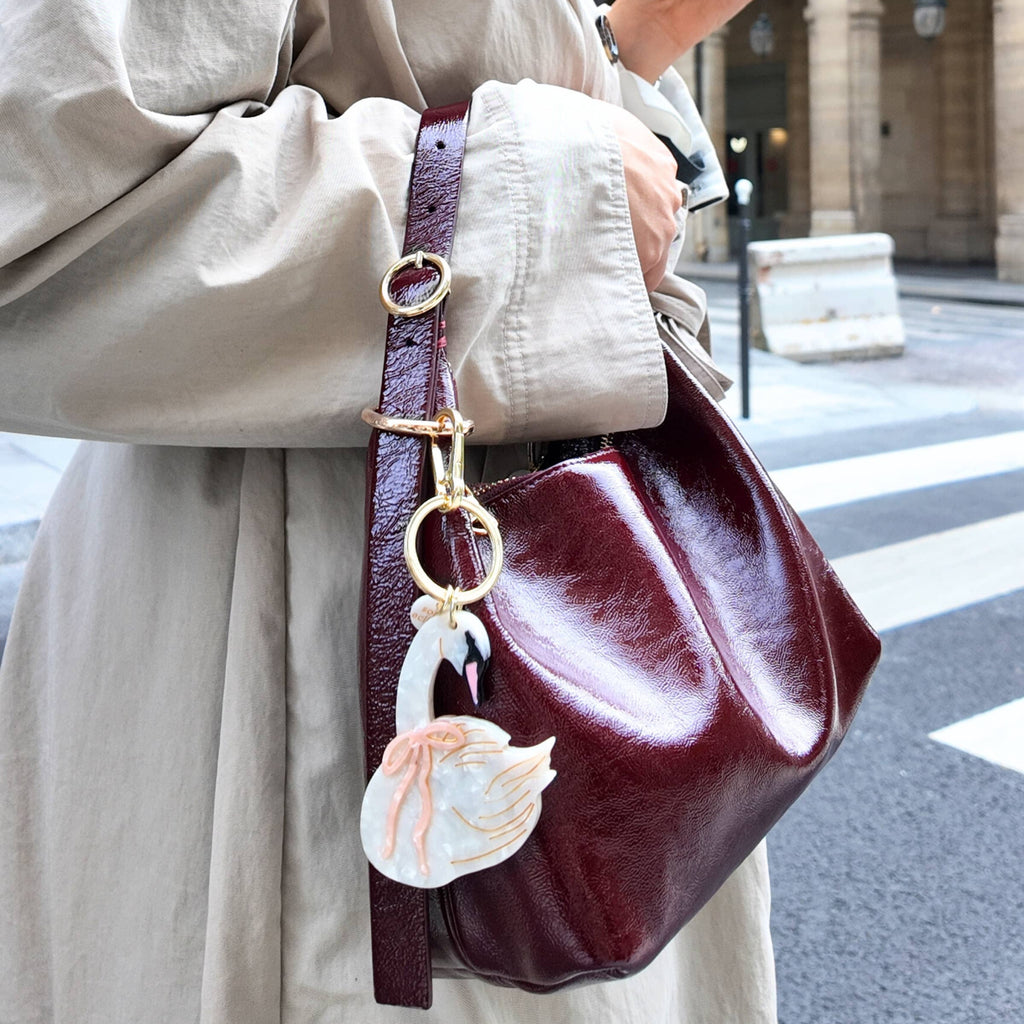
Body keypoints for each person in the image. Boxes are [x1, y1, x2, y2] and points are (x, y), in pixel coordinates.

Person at [0, 0, 774, 1020]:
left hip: (549, 618)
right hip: (294, 672)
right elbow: (36, 208)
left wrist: (631, 40)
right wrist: (546, 196)